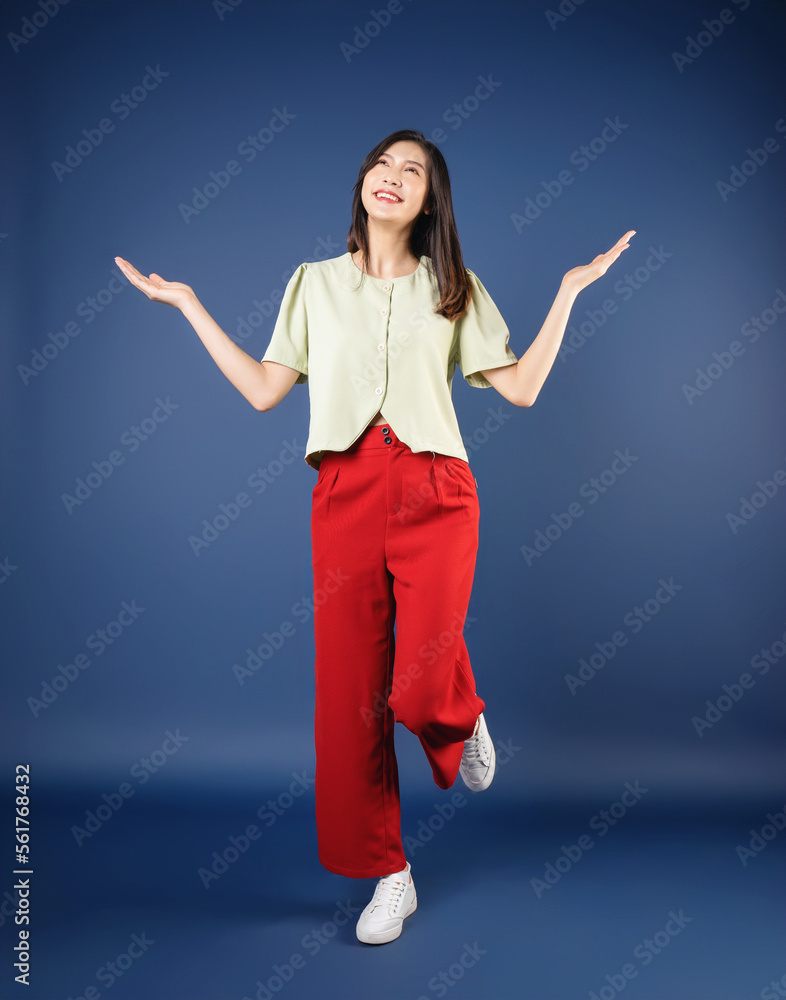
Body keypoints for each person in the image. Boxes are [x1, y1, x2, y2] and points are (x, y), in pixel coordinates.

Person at [114, 127, 634, 946]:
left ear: (430, 201)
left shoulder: (454, 286)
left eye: (412, 171)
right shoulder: (312, 285)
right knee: (351, 698)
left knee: (415, 689)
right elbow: (262, 391)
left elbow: (524, 389)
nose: (392, 178)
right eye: (381, 165)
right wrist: (188, 306)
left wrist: (568, 291)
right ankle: (393, 875)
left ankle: (458, 713)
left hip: (438, 490)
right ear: (363, 184)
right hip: (346, 495)